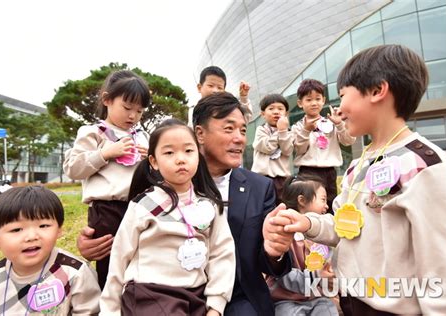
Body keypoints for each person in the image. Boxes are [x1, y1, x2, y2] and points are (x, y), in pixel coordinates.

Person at [279, 44, 446, 315]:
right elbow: (347, 226)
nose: (340, 108)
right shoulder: (360, 164)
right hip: (354, 300)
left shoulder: (426, 167)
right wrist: (307, 222)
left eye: (343, 95)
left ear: (378, 91)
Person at [100, 119, 235, 315]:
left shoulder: (209, 206)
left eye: (188, 151)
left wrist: (215, 306)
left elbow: (222, 255)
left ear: (199, 155)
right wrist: (109, 310)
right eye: (169, 153)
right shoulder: (142, 205)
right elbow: (120, 257)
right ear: (154, 162)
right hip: (150, 294)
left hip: (196, 296)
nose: (180, 159)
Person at [193, 92, 293, 315]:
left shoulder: (260, 188)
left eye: (243, 130)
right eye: (228, 129)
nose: (239, 139)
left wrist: (273, 250)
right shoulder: (174, 186)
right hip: (184, 298)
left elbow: (269, 264)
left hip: (241, 297)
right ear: (200, 133)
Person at [63, 69, 151, 289]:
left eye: (140, 111)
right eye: (127, 107)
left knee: (140, 259)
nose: (133, 116)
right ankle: (108, 302)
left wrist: (150, 158)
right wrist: (106, 153)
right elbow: (73, 168)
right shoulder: (93, 132)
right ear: (107, 100)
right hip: (107, 210)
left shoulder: (142, 137)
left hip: (141, 205)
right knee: (110, 262)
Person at [0, 186, 100, 315]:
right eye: (16, 230)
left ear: (59, 230)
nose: (32, 237)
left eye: (43, 226)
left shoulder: (75, 273)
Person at [266, 175, 339, 315]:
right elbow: (284, 275)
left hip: (316, 296)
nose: (327, 205)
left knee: (328, 309)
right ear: (302, 201)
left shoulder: (323, 233)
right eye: (323, 199)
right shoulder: (286, 234)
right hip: (286, 299)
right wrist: (316, 276)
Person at [292, 79, 356, 214]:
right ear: (300, 103)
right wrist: (306, 130)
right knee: (309, 207)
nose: (314, 103)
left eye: (318, 99)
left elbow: (348, 141)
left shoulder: (331, 123)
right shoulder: (297, 126)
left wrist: (339, 124)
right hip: (307, 172)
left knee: (330, 204)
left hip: (329, 172)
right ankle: (309, 232)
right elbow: (299, 149)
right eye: (309, 100)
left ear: (324, 100)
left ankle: (330, 233)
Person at [251, 94, 293, 204]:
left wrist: (283, 132)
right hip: (261, 177)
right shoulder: (261, 130)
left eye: (280, 109)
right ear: (263, 114)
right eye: (271, 108)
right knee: (261, 206)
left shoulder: (288, 132)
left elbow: (287, 150)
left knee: (282, 205)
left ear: (286, 114)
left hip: (281, 179)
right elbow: (268, 147)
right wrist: (279, 132)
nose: (276, 112)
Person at [188, 66, 253, 126]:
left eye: (219, 88)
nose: (215, 90)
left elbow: (244, 119)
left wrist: (243, 97)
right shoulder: (193, 110)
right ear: (199, 87)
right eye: (210, 85)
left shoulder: (226, 108)